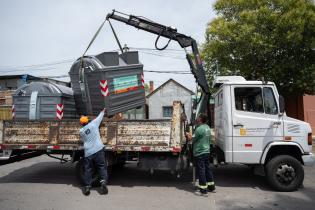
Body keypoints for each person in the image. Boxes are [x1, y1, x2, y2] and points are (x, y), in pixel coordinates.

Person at [79, 108, 108, 196]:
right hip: (98, 149)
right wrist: (103, 111)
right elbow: (100, 117)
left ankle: (87, 187)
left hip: (88, 152)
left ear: (81, 123)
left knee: (88, 169)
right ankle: (103, 183)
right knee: (101, 166)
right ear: (88, 121)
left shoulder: (81, 131)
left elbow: (84, 140)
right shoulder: (94, 124)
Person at [186, 113, 215, 196]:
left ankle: (203, 190)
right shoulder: (207, 128)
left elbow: (192, 139)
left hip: (200, 152)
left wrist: (188, 135)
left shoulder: (199, 129)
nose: (197, 118)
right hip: (206, 151)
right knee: (207, 169)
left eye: (198, 117)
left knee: (201, 171)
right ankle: (211, 187)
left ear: (200, 119)